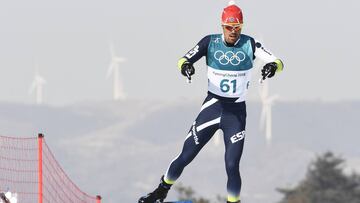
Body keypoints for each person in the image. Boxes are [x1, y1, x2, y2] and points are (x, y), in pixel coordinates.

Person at [138, 1, 284, 203]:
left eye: (237, 28)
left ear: (242, 26)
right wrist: (187, 67)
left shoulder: (250, 44)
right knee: (185, 156)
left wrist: (272, 68)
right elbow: (183, 59)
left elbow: (278, 61)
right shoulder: (210, 42)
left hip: (235, 114)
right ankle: (160, 191)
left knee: (232, 165)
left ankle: (233, 201)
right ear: (222, 26)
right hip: (212, 108)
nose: (233, 32)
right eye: (229, 27)